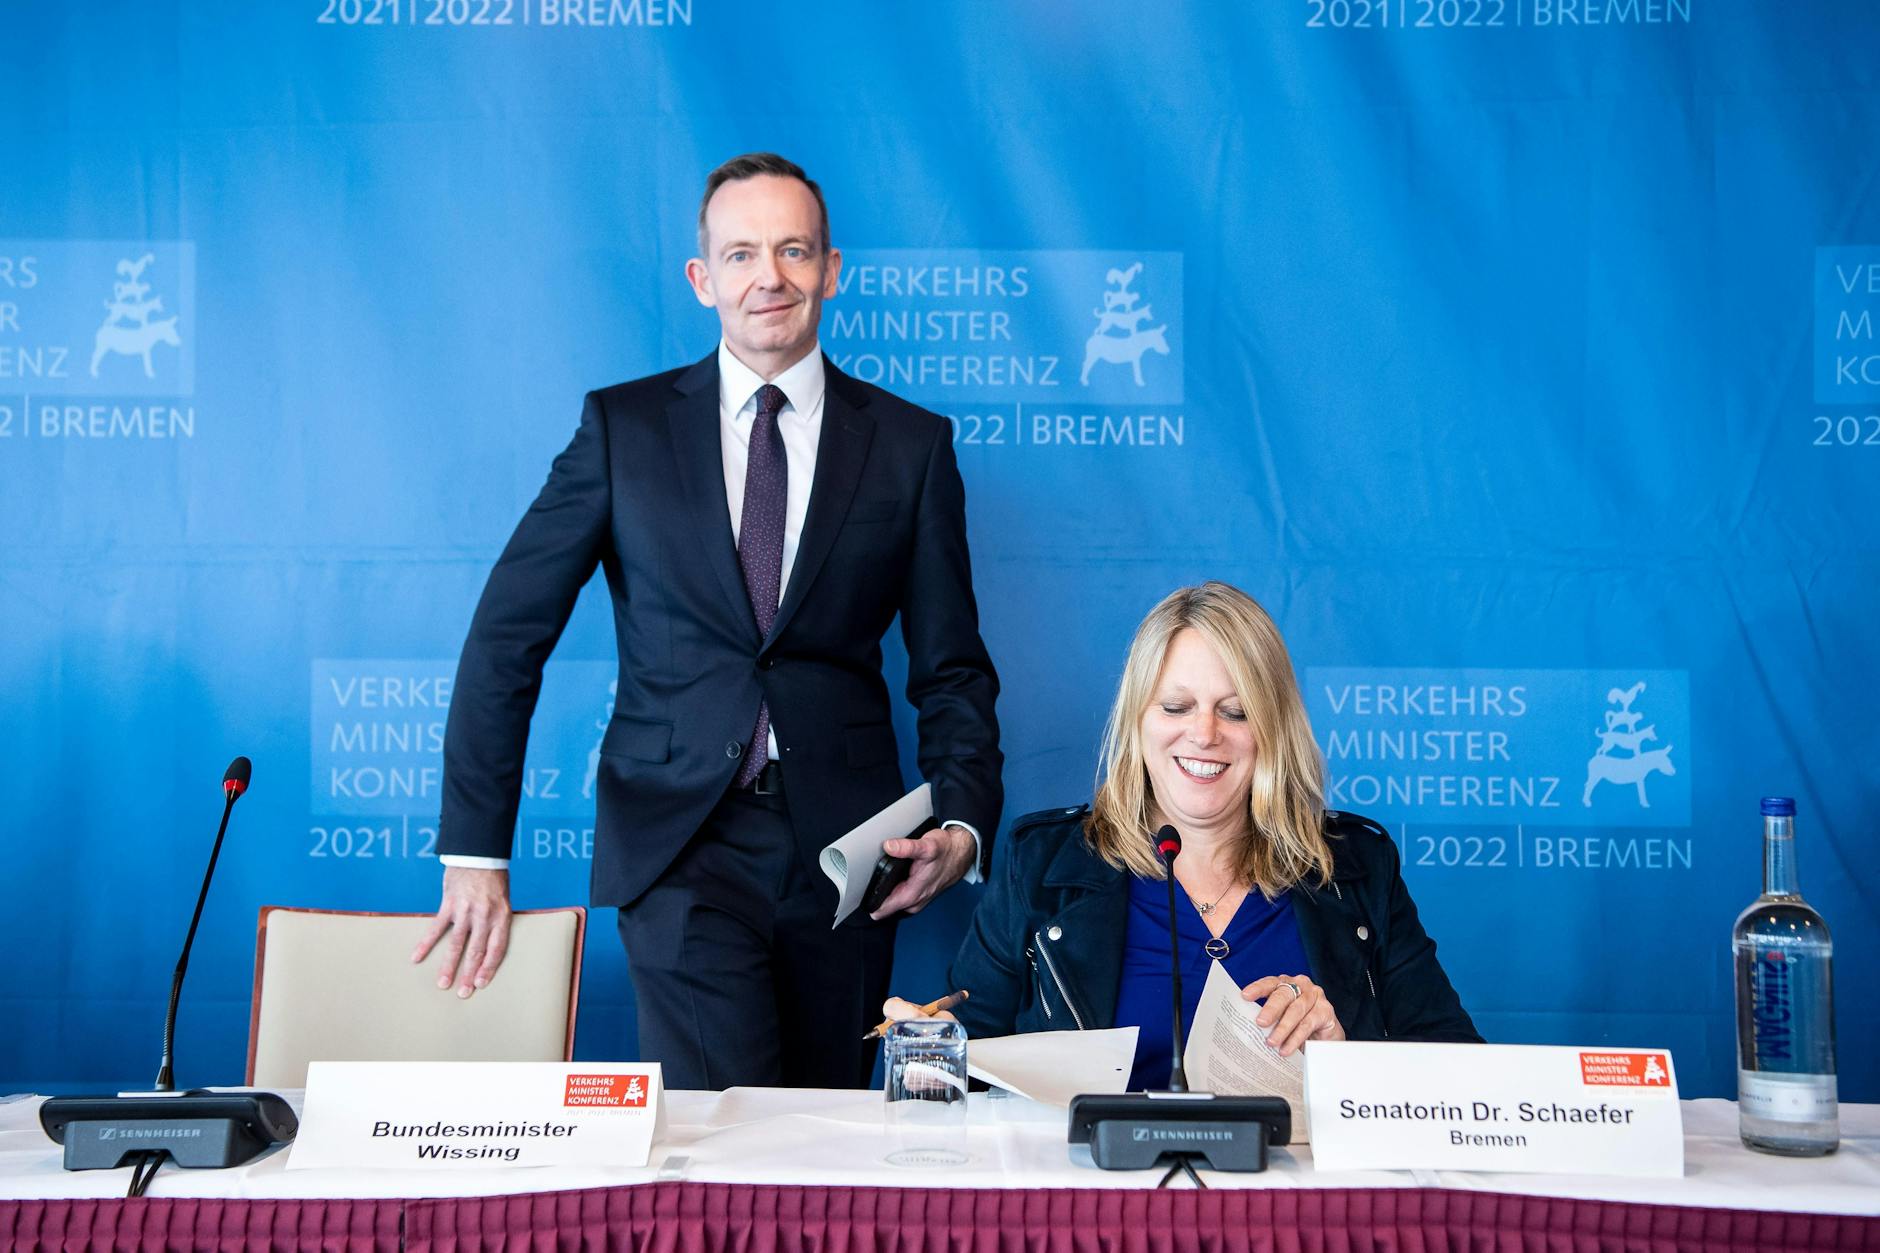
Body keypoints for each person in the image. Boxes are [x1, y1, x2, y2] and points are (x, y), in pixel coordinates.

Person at [414, 153, 1003, 1091]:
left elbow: (952, 670)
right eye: (741, 254)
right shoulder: (623, 430)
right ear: (703, 279)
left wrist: (965, 825)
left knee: (827, 1151)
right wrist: (477, 850)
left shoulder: (910, 444)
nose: (768, 276)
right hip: (679, 849)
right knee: (724, 1139)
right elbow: (505, 638)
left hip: (850, 865)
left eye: (793, 250)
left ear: (831, 269)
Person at [886, 582, 1476, 1089]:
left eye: (1236, 712)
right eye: (1175, 706)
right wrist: (922, 1049)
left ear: (1273, 730)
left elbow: (1460, 1072)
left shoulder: (1355, 867)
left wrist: (1343, 1061)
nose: (1204, 734)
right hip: (1093, 1208)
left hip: (1291, 1212)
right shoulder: (1039, 865)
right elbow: (963, 1068)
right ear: (1137, 720)